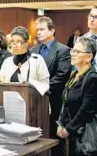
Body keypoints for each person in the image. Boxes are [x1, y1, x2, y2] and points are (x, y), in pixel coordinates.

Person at [57, 37, 97, 156]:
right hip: (73, 131)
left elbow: (87, 110)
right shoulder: (75, 74)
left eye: (77, 52)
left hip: (86, 135)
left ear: (89, 57)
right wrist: (61, 124)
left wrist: (68, 129)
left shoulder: (92, 77)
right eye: (72, 51)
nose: (73, 54)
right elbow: (66, 102)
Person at [30, 16, 71, 156]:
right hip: (35, 99)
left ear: (52, 30)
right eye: (37, 30)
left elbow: (62, 75)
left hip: (54, 99)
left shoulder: (63, 50)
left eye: (42, 29)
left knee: (53, 136)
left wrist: (42, 87)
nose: (38, 32)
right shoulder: (33, 50)